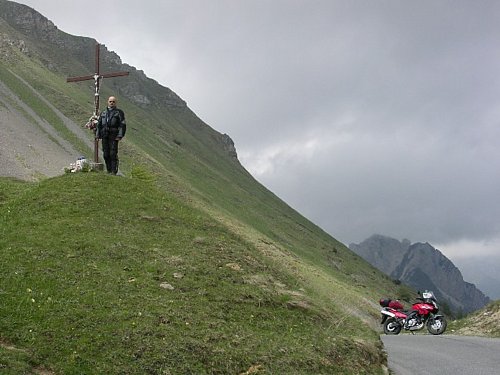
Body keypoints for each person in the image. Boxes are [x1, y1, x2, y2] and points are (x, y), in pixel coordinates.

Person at [96, 96, 126, 174]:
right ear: (108, 102)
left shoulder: (119, 112)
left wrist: (120, 135)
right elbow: (99, 124)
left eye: (113, 101)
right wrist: (97, 135)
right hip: (104, 135)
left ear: (115, 103)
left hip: (114, 135)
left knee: (112, 153)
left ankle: (113, 171)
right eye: (110, 101)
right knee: (106, 154)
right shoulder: (103, 112)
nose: (111, 103)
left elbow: (122, 124)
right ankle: (108, 170)